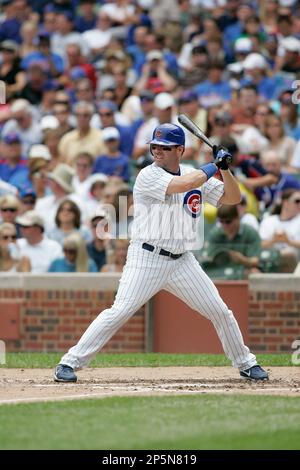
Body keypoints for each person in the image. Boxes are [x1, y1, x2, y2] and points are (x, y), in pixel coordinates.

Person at [54, 123, 268, 383]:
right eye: (155, 146)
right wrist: (213, 165)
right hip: (147, 257)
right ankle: (70, 362)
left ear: (180, 149)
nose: (157, 151)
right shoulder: (148, 175)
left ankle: (246, 363)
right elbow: (181, 184)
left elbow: (232, 198)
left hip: (182, 261)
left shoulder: (195, 173)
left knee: (220, 311)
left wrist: (225, 169)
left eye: (164, 147)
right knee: (119, 311)